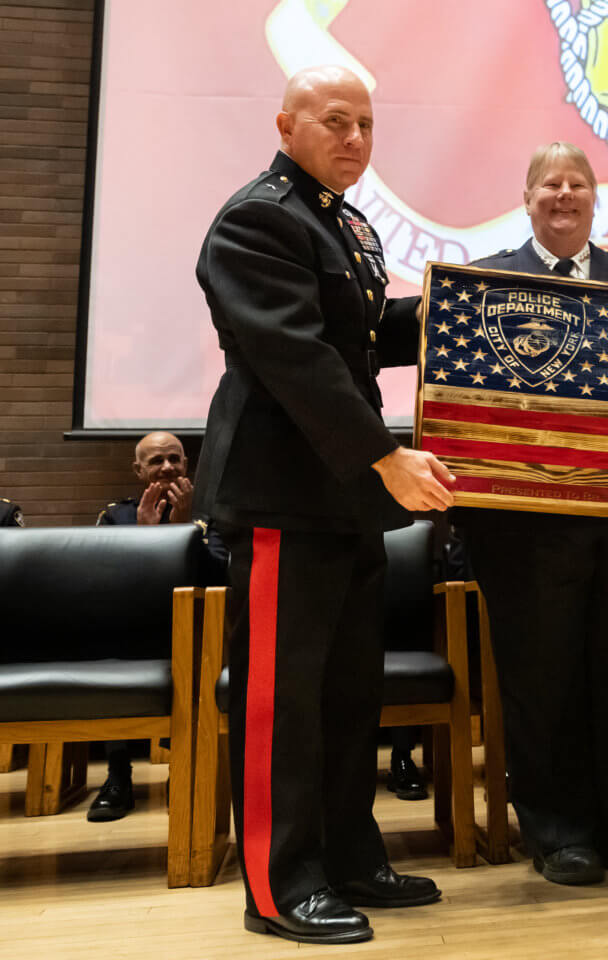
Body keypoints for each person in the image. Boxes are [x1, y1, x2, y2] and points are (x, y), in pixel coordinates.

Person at [193, 65, 454, 945]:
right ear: (286, 124)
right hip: (284, 493)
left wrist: (467, 309)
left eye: (367, 125)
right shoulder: (260, 218)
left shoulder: (341, 223)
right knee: (281, 699)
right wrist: (385, 456)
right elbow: (298, 358)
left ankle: (348, 854)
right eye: (335, 121)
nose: (354, 139)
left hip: (340, 496)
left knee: (347, 692)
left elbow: (365, 336)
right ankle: (279, 883)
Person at [458, 142, 608, 886]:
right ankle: (558, 831)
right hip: (529, 531)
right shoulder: (487, 281)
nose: (564, 194)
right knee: (542, 678)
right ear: (526, 199)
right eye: (550, 184)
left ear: (596, 198)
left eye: (577, 183)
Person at [92, 431, 222, 822]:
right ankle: (118, 777)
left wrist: (181, 534)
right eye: (156, 461)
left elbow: (221, 575)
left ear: (187, 465)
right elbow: (101, 578)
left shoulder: (210, 515)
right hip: (134, 628)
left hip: (197, 631)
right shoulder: (117, 516)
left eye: (175, 459)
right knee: (109, 648)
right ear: (138, 470)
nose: (167, 467)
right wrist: (144, 539)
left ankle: (187, 774)